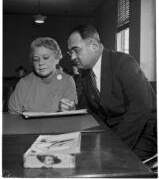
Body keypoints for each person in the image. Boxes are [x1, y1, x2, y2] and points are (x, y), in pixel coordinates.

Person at [60, 25, 157, 161]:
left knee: (107, 164)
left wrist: (114, 146)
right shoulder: (86, 74)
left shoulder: (123, 62)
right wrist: (73, 110)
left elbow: (141, 106)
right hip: (113, 132)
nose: (72, 57)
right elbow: (90, 109)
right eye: (70, 53)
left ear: (94, 46)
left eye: (76, 50)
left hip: (142, 132)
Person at [8, 37, 77, 113]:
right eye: (36, 59)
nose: (40, 63)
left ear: (57, 58)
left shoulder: (67, 80)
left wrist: (70, 109)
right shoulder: (23, 83)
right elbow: (13, 114)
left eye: (46, 57)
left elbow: (70, 114)